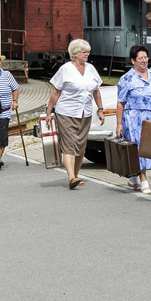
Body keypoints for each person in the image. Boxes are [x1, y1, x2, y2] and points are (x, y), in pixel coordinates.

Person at [45, 38, 102, 189]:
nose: (87, 54)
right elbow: (56, 92)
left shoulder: (91, 69)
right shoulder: (65, 69)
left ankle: (75, 175)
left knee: (80, 145)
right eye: (84, 52)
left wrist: (101, 110)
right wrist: (49, 112)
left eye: (88, 52)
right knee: (69, 144)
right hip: (66, 112)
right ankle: (71, 177)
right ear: (75, 54)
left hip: (85, 113)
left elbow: (96, 91)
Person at [114, 43, 151, 194]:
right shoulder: (127, 78)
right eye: (140, 58)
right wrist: (119, 124)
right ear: (133, 61)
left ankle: (134, 177)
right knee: (139, 148)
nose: (144, 60)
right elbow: (120, 103)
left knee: (149, 147)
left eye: (146, 57)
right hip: (134, 118)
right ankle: (143, 179)